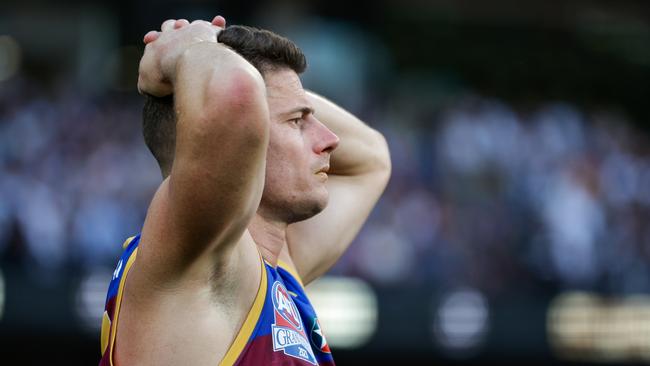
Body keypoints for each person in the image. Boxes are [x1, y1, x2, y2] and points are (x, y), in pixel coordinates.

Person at [99, 15, 391, 366]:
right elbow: (236, 95)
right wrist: (185, 48)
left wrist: (212, 49)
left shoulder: (276, 267)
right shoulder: (201, 253)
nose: (331, 141)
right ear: (243, 137)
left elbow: (371, 157)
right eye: (297, 121)